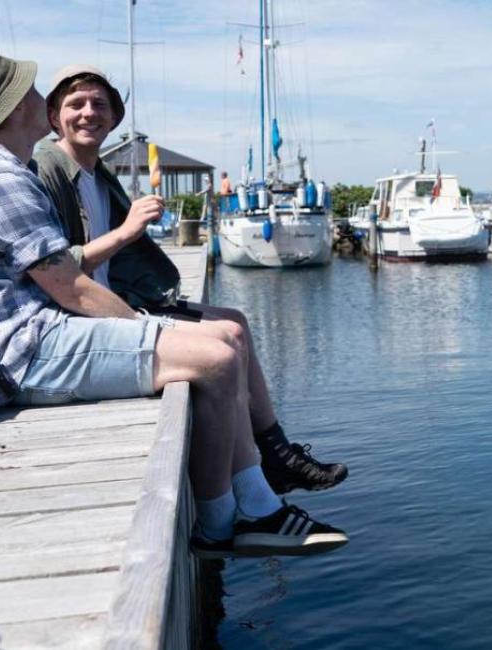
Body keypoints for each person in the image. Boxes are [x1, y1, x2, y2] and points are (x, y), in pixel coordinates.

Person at [0, 49, 346, 557]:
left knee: (221, 340)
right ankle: (221, 527)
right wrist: (150, 329)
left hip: (22, 339)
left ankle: (258, 498)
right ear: (15, 109)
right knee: (215, 359)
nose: (44, 100)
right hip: (19, 353)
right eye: (35, 92)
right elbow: (71, 287)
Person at [31, 65, 346, 496]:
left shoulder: (97, 173)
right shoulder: (48, 167)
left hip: (120, 297)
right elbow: (59, 271)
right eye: (76, 104)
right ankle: (247, 482)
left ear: (114, 116)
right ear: (53, 117)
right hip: (84, 315)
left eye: (99, 104)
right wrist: (127, 232)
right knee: (224, 341)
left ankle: (277, 453)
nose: (89, 113)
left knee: (237, 320)